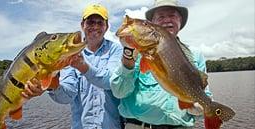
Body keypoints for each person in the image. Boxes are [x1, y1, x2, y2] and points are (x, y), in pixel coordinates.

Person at [110, 0, 212, 129]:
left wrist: (202, 108)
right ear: (153, 24)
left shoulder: (196, 55)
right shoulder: (133, 52)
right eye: (161, 17)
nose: (167, 20)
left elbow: (204, 96)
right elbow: (119, 92)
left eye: (172, 16)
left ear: (180, 20)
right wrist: (128, 58)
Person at [22, 4, 123, 129]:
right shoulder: (69, 53)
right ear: (82, 25)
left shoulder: (116, 50)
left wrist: (83, 67)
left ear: (106, 27)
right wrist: (51, 85)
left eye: (100, 23)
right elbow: (67, 95)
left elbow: (112, 82)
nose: (95, 26)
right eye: (90, 22)